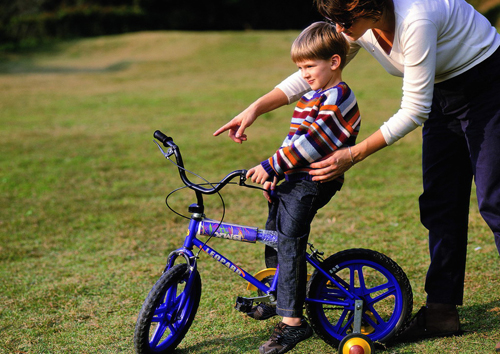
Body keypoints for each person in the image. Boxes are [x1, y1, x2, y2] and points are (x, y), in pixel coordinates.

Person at [214, 0, 500, 348]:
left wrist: (352, 154)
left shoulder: (416, 19)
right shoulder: (354, 25)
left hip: (487, 85)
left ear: (372, 7)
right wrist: (256, 107)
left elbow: (413, 110)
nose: (336, 27)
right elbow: (312, 71)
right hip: (440, 91)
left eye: (342, 19)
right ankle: (442, 312)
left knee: (494, 201)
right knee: (440, 203)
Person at [243, 21, 361, 354]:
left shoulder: (340, 97)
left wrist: (270, 165)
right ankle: (278, 294)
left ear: (334, 62)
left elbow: (313, 144)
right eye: (300, 67)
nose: (304, 73)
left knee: (290, 238)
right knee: (273, 231)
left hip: (316, 179)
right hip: (296, 177)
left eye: (310, 66)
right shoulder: (309, 97)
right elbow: (293, 139)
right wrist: (276, 174)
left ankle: (293, 323)